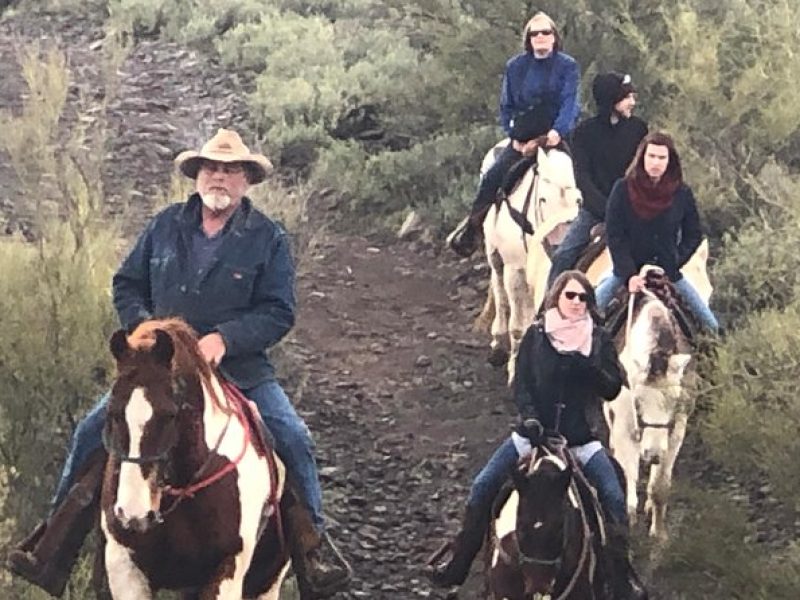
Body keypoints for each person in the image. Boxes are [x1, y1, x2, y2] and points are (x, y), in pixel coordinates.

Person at [6, 129, 351, 598]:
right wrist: (146, 332)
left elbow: (279, 310)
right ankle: (51, 543)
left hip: (239, 370)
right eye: (211, 168)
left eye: (231, 170)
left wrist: (224, 340)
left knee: (292, 436)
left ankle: (315, 550)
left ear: (247, 180)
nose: (219, 177)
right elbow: (127, 283)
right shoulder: (165, 225)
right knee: (92, 431)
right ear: (196, 175)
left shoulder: (267, 238)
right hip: (156, 369)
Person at [427, 271, 646, 599]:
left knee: (613, 496)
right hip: (533, 435)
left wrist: (589, 368)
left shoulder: (599, 340)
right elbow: (522, 383)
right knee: (483, 485)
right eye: (569, 296)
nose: (575, 302)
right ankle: (460, 562)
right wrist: (529, 418)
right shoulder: (536, 335)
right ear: (556, 297)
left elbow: (613, 387)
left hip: (581, 440)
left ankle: (620, 577)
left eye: (582, 297)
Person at [449, 11, 580, 257]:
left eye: (546, 32)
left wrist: (556, 133)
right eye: (535, 33)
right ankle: (472, 229)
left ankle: (591, 233)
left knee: (578, 178)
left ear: (554, 37)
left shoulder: (567, 66)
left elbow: (570, 103)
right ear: (528, 39)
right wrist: (514, 136)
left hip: (556, 137)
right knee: (492, 177)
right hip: (522, 139)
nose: (540, 37)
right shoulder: (515, 67)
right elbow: (506, 106)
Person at [594, 132, 720, 332]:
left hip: (668, 271)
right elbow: (614, 235)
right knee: (585, 312)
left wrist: (673, 261)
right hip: (627, 271)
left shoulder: (682, 193)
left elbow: (693, 234)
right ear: (642, 157)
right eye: (651, 156)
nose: (656, 162)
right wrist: (629, 275)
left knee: (712, 327)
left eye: (662, 158)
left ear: (670, 161)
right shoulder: (622, 189)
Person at [547, 72, 649, 287]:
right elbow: (583, 178)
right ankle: (547, 312)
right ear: (611, 99)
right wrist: (607, 209)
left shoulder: (639, 129)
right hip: (595, 212)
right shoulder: (584, 133)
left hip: (634, 208)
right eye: (627, 97)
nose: (632, 102)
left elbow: (643, 172)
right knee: (563, 256)